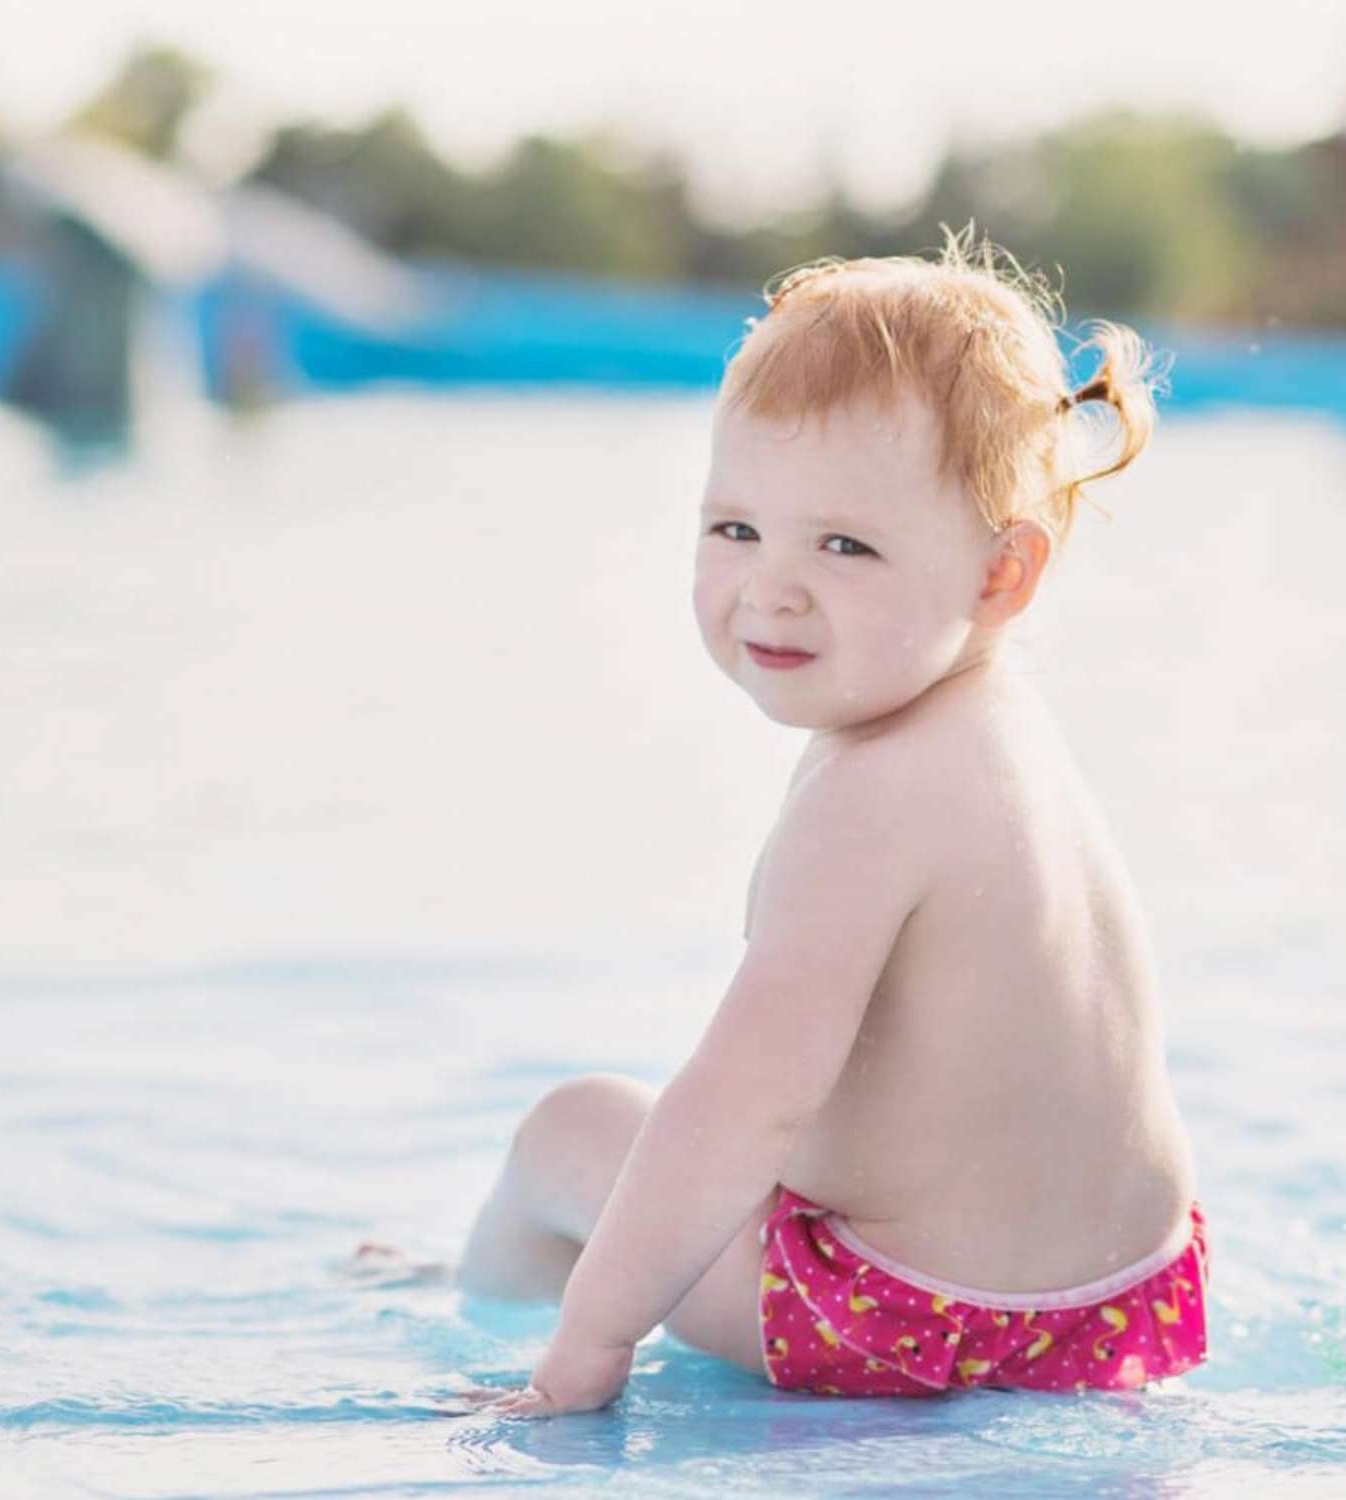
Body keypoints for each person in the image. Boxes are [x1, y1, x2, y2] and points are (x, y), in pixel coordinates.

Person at [456, 224, 1207, 1418]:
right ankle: (558, 1265)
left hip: (915, 1322)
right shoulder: (1010, 740)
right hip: (1129, 1306)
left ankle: (512, 1294)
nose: (773, 587)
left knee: (574, 1129)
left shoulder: (872, 793)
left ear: (1002, 575)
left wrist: (588, 1353)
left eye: (845, 545)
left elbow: (748, 1105)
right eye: (735, 527)